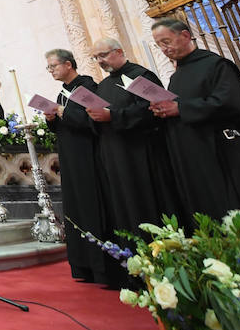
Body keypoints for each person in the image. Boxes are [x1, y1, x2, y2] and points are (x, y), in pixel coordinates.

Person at [148, 18, 240, 225]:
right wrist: (163, 110)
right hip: (196, 153)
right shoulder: (177, 77)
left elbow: (231, 103)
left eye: (166, 41)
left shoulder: (216, 65)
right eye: (159, 45)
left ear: (185, 35)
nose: (163, 49)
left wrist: (181, 108)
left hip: (224, 152)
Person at [83, 39, 178, 253]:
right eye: (96, 57)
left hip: (142, 154)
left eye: (103, 55)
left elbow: (155, 111)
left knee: (148, 205)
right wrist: (93, 116)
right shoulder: (104, 85)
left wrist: (113, 116)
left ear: (119, 51)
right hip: (115, 156)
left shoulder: (140, 76)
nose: (100, 61)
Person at [42, 49, 116, 286]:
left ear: (68, 64)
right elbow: (65, 123)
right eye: (49, 68)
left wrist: (62, 112)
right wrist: (51, 119)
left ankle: (102, 267)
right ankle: (83, 265)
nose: (51, 70)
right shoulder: (64, 92)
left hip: (88, 157)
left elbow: (92, 120)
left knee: (92, 206)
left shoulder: (86, 87)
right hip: (70, 157)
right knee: (75, 208)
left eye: (53, 66)